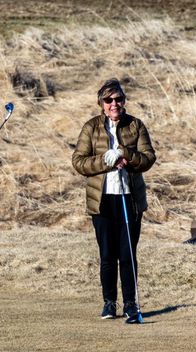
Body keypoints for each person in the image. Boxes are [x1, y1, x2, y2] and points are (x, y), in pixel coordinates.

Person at [72, 78, 157, 323]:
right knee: (107, 254)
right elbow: (79, 162)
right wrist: (106, 161)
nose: (114, 104)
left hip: (129, 199)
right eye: (108, 100)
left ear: (124, 101)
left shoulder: (136, 125)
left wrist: (125, 154)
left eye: (118, 99)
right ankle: (109, 303)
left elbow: (148, 158)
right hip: (102, 201)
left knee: (127, 254)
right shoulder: (91, 127)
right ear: (101, 103)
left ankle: (131, 304)